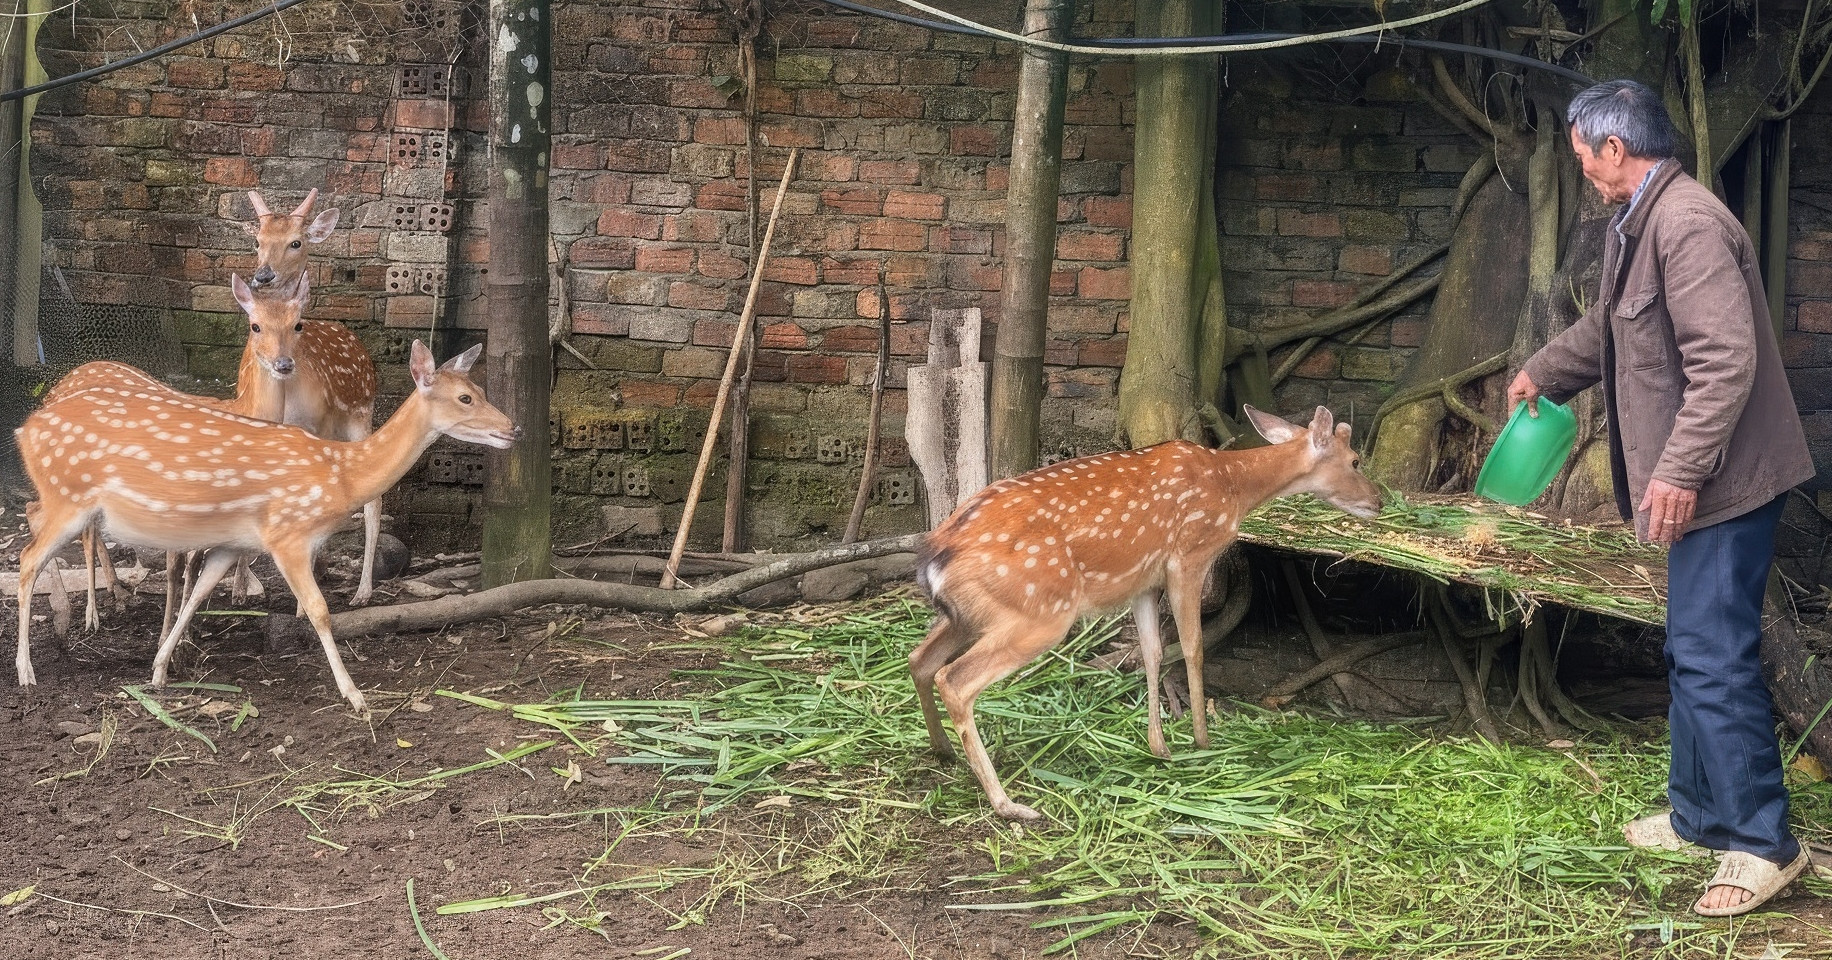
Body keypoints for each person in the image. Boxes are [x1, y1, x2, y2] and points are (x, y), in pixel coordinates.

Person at [1507, 79, 1816, 917]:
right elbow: (1609, 329)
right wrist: (1546, 371)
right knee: (1690, 652)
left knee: (1713, 658)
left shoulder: (1687, 226)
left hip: (1724, 485)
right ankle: (1699, 816)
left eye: (1582, 156)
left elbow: (1726, 365)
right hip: (1698, 483)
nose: (1581, 170)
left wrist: (1676, 472)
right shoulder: (1634, 223)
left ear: (1616, 149)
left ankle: (1764, 844)